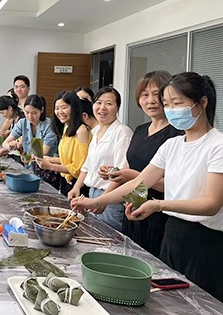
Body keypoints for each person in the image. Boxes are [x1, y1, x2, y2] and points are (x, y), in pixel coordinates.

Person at [72, 72, 223, 301]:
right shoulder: (172, 145)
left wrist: (158, 205)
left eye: (177, 103)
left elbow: (211, 204)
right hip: (172, 235)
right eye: (167, 104)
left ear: (202, 102)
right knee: (168, 301)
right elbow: (138, 182)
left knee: (201, 303)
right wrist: (96, 201)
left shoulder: (217, 145)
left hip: (205, 241)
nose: (171, 110)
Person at [101, 71, 181, 256]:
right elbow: (132, 166)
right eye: (145, 95)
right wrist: (116, 172)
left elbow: (175, 184)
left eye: (156, 94)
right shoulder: (140, 130)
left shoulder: (177, 134)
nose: (150, 100)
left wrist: (135, 177)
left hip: (159, 214)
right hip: (133, 207)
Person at [67, 87, 133, 232]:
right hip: (92, 194)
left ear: (118, 108)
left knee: (108, 238)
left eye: (108, 104)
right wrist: (76, 187)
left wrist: (104, 199)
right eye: (98, 103)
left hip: (110, 199)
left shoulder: (122, 132)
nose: (102, 107)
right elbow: (87, 165)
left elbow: (121, 172)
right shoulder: (96, 131)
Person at [35, 91, 91, 195]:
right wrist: (50, 159)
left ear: (74, 108)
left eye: (64, 107)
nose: (60, 112)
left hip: (78, 186)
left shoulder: (81, 131)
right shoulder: (67, 127)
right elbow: (69, 160)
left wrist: (50, 166)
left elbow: (78, 168)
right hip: (66, 181)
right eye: (57, 108)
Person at [3, 95, 60, 188]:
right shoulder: (22, 123)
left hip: (47, 170)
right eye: (27, 112)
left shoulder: (49, 125)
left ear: (41, 110)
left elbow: (43, 152)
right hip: (29, 169)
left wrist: (27, 157)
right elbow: (5, 143)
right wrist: (11, 146)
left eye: (34, 113)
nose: (30, 116)